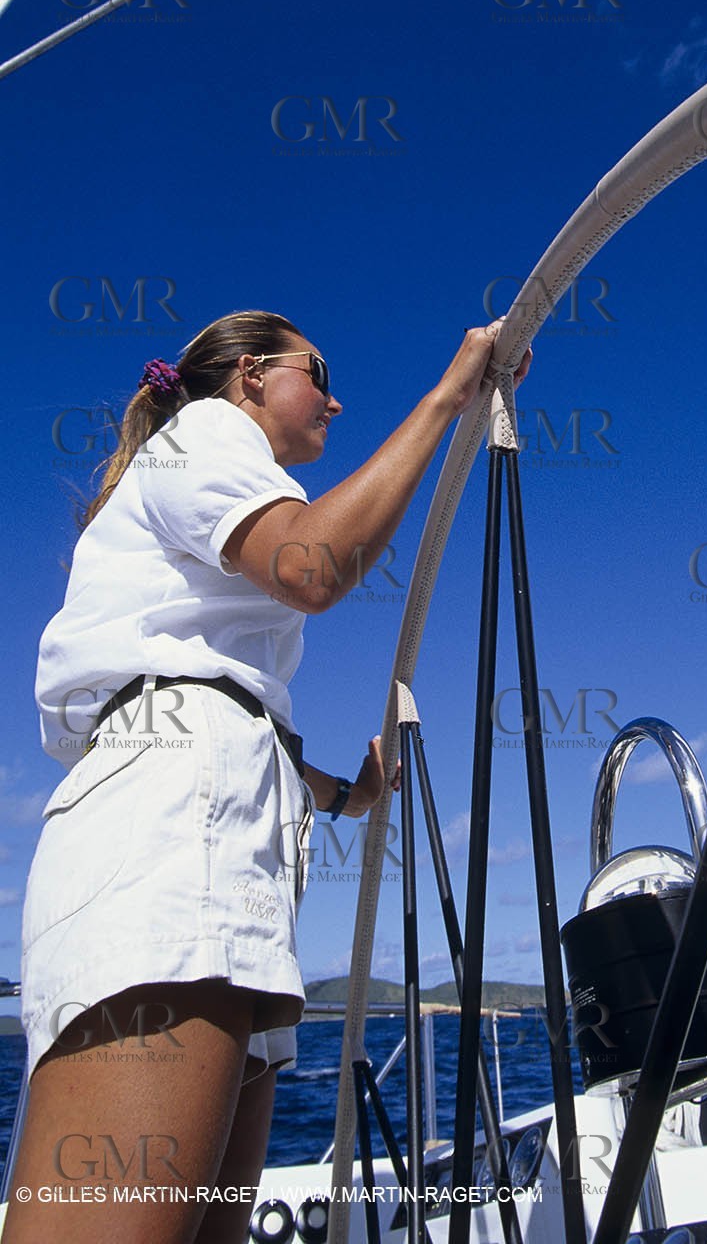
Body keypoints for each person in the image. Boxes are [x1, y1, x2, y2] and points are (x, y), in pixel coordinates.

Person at [6, 309, 529, 1244]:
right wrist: (447, 399)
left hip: (211, 827)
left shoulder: (210, 494)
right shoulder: (201, 435)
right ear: (248, 377)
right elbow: (313, 566)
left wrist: (344, 796)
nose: (333, 397)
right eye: (315, 371)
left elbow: (219, 698)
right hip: (168, 838)